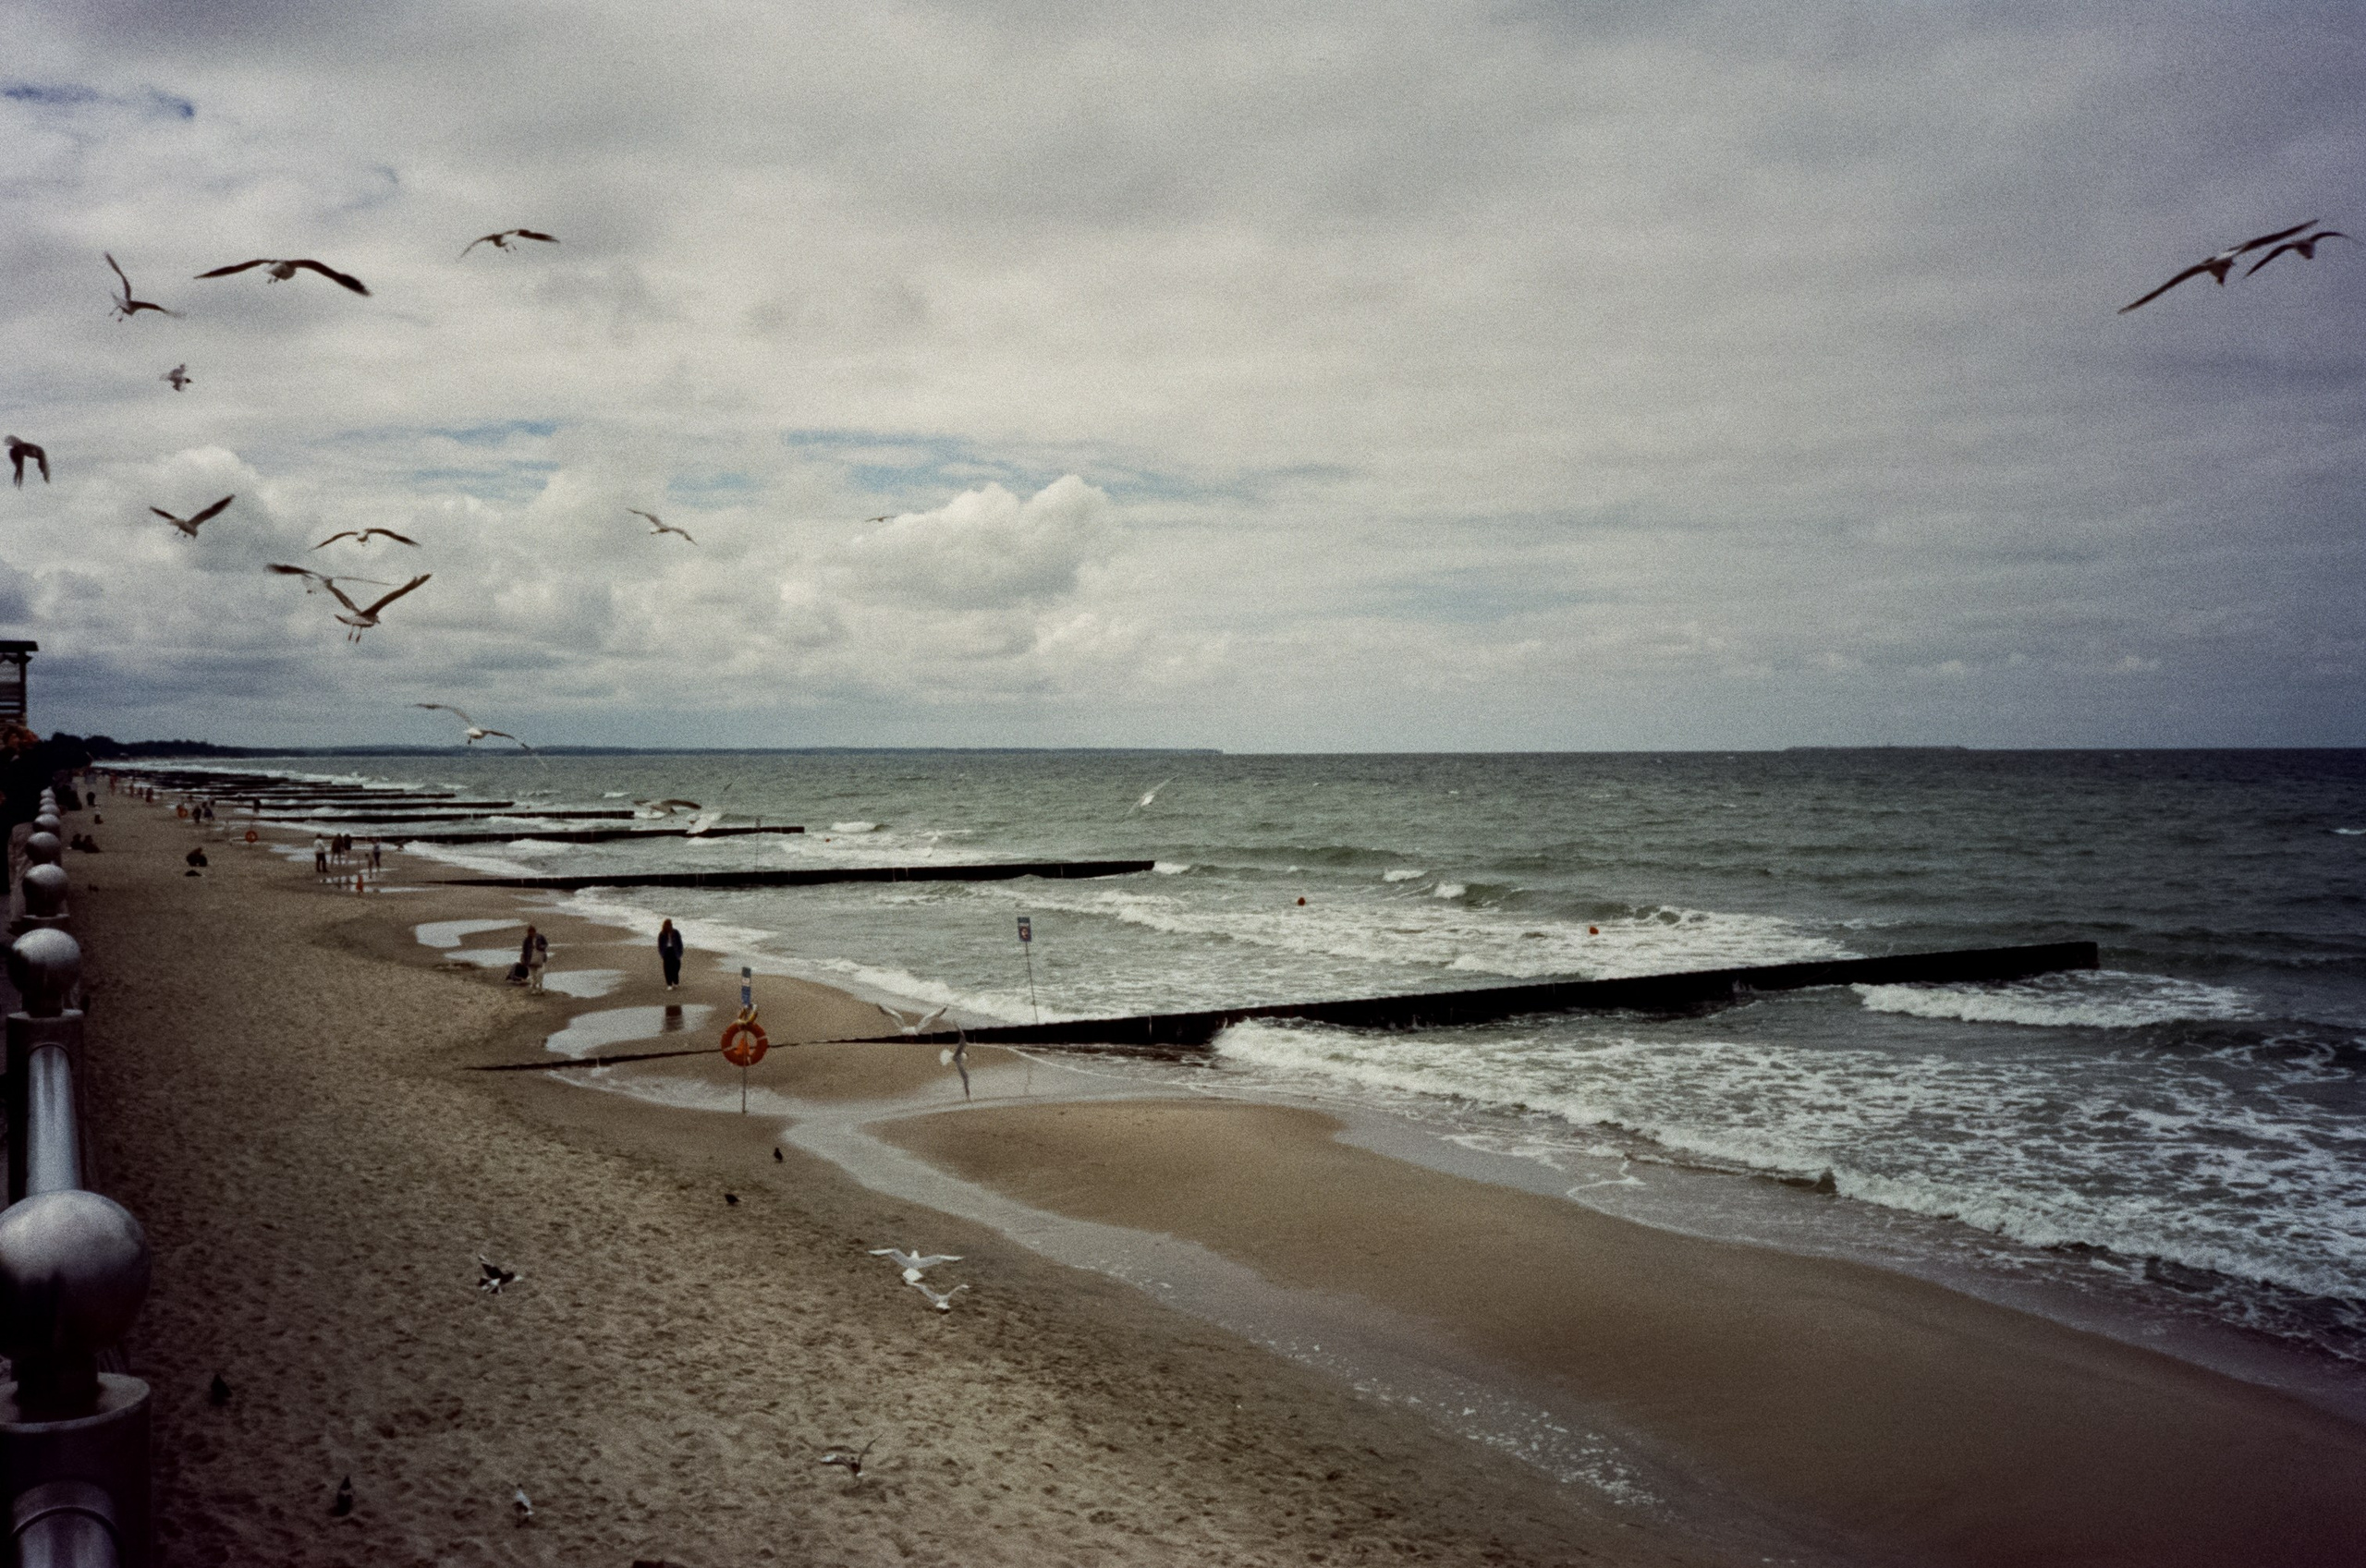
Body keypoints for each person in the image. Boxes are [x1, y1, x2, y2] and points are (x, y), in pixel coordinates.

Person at [657, 918, 685, 991]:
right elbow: (660, 945)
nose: (670, 926)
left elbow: (680, 943)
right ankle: (669, 984)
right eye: (668, 925)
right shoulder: (662, 934)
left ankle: (676, 982)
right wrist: (662, 954)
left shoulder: (675, 932)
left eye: (670, 925)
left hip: (675, 950)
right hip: (666, 951)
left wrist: (680, 952)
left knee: (676, 967)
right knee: (667, 968)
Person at [521, 925, 548, 994]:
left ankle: (540, 987)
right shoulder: (526, 940)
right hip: (530, 959)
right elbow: (524, 950)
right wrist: (524, 959)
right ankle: (534, 988)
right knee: (532, 974)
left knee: (540, 973)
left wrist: (541, 947)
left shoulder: (540, 937)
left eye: (532, 932)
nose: (530, 934)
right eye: (529, 932)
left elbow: (546, 944)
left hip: (540, 958)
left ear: (534, 931)